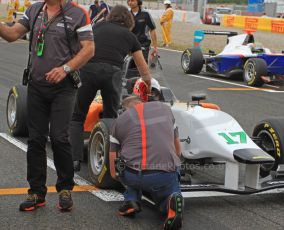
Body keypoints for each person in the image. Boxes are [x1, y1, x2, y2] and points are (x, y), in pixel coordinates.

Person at [0, 0, 94, 211]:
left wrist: (66, 68)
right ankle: (36, 193)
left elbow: (89, 49)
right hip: (36, 85)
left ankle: (65, 189)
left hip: (64, 87)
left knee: (60, 138)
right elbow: (12, 34)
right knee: (35, 140)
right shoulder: (34, 9)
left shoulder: (78, 13)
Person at [69, 4, 152, 171]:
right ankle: (108, 159)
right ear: (128, 20)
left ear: (111, 16)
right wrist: (148, 86)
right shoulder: (130, 36)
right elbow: (143, 68)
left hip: (88, 70)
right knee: (111, 117)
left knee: (77, 117)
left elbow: (79, 47)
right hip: (112, 74)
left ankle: (74, 160)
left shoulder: (97, 26)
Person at [109, 94, 183, 230]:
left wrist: (117, 176)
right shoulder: (165, 109)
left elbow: (113, 157)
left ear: (125, 109)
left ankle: (131, 199)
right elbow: (178, 151)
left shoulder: (119, 121)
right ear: (143, 102)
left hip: (134, 175)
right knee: (170, 183)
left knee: (123, 166)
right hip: (164, 173)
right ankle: (170, 201)